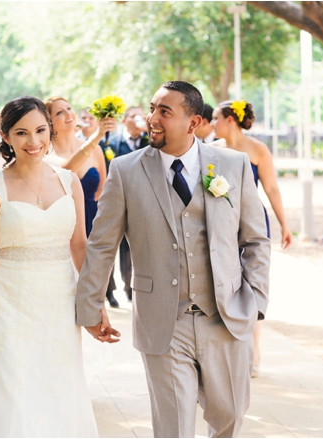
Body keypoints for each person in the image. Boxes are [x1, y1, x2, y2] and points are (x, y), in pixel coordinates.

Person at [76, 81, 271, 437]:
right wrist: (90, 306)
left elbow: (256, 239)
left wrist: (255, 299)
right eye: (152, 108)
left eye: (164, 111)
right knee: (173, 429)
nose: (152, 118)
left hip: (225, 317)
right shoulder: (125, 171)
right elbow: (102, 244)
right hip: (163, 319)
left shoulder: (233, 165)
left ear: (193, 122)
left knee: (229, 418)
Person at [0, 96, 110, 437]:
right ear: (6, 137)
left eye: (41, 130)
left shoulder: (69, 181)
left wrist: (94, 304)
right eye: (22, 133)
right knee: (13, 394)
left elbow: (80, 246)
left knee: (58, 388)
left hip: (59, 304)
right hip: (9, 307)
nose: (34, 141)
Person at [212, 100, 293, 378]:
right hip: (222, 224)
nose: (212, 124)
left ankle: (253, 352)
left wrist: (284, 225)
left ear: (230, 120)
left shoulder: (258, 149)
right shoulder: (211, 150)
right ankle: (225, 351)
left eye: (215, 119)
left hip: (253, 222)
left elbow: (270, 187)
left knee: (251, 286)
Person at [43, 96, 119, 307]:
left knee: (92, 288)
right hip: (62, 225)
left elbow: (102, 190)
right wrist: (97, 135)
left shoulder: (95, 150)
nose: (68, 113)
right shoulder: (45, 151)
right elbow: (67, 170)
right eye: (59, 112)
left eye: (69, 108)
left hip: (92, 220)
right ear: (48, 121)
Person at [103, 106, 149, 302]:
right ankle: (109, 291)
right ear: (124, 121)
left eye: (141, 115)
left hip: (143, 204)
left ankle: (131, 288)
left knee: (133, 249)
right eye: (133, 116)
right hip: (117, 203)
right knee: (110, 246)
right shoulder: (111, 144)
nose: (138, 119)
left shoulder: (152, 142)